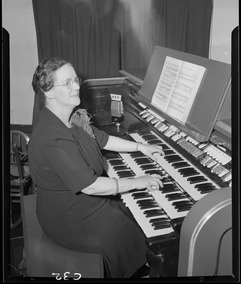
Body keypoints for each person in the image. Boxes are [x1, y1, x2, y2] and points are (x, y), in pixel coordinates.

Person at [28, 57, 164, 278]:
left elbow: (102, 139)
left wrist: (141, 147)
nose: (77, 86)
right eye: (68, 83)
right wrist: (138, 182)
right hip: (68, 217)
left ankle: (144, 265)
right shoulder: (51, 137)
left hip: (81, 204)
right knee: (124, 229)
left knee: (130, 217)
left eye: (76, 80)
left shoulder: (69, 117)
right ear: (49, 92)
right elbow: (90, 185)